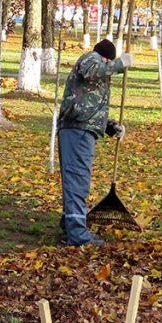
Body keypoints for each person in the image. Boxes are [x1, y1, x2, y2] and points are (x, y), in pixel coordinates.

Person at [57, 39, 132, 247]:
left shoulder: (99, 71)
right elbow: (92, 70)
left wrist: (110, 126)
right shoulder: (91, 59)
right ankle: (78, 236)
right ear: (106, 58)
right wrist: (119, 64)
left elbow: (88, 104)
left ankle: (70, 227)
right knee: (78, 182)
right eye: (109, 63)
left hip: (81, 129)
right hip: (76, 131)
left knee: (76, 181)